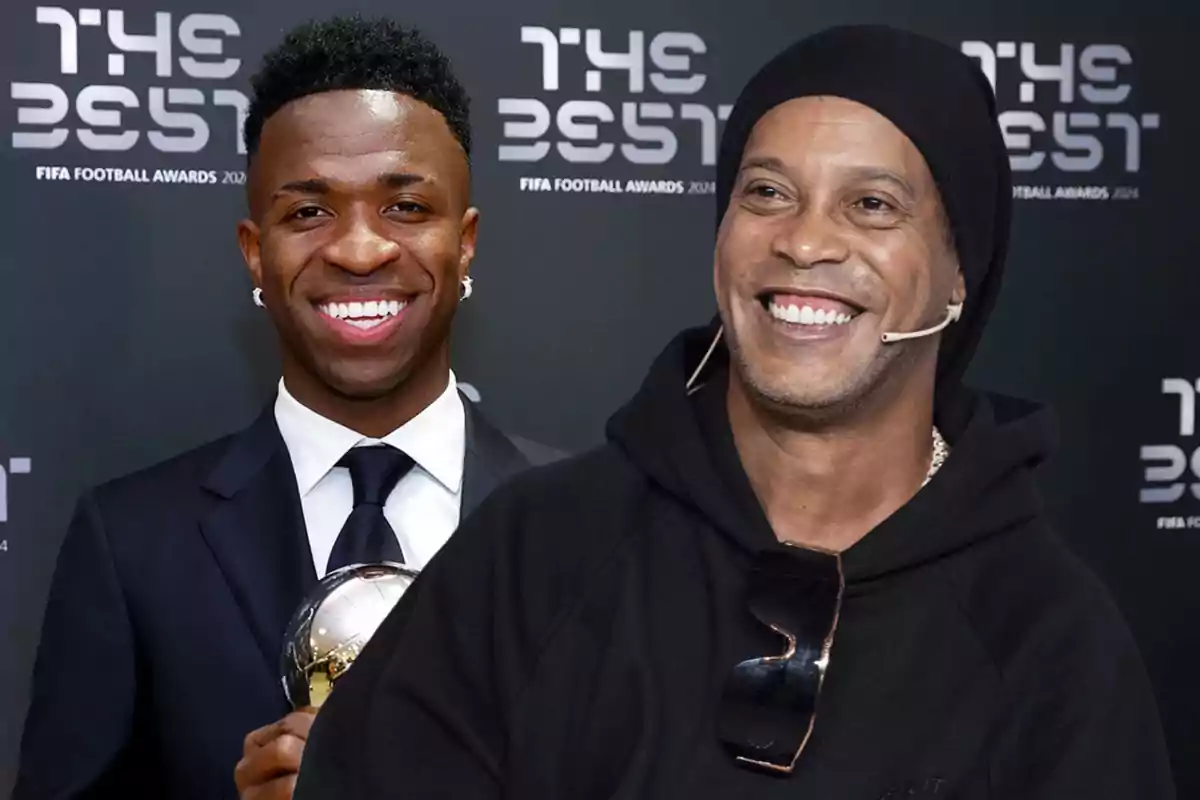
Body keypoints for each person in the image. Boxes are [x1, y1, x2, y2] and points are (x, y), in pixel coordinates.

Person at [293, 24, 1176, 800]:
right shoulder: (536, 552)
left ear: (958, 272)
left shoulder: (1052, 642)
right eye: (766, 192)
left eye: (872, 205)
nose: (805, 240)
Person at [14, 15, 560, 800]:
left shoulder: (591, 525)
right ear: (255, 252)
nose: (360, 249)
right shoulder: (131, 543)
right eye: (309, 212)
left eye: (406, 207)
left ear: (465, 242)